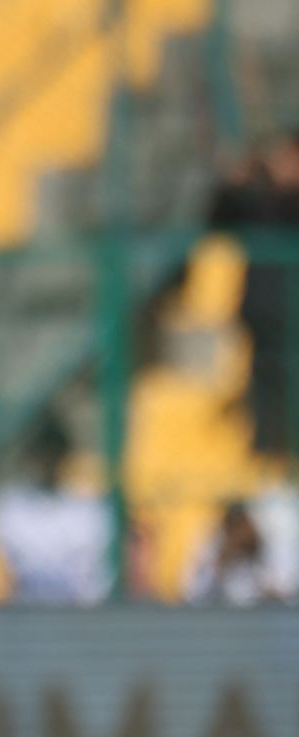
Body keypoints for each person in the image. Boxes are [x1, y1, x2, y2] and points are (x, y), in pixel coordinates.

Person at [210, 132, 299, 458]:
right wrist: (233, 183)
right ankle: (269, 451)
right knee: (265, 378)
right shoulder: (260, 198)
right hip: (263, 308)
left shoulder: (281, 201)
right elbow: (218, 223)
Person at [0, 417, 116, 605]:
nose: (44, 463)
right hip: (18, 623)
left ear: (64, 457)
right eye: (38, 455)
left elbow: (94, 591)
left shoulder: (89, 512)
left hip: (75, 623)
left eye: (52, 455)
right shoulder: (6, 507)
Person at [182, 498, 290, 605]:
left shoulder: (264, 546)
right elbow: (194, 596)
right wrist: (221, 562)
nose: (242, 532)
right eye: (236, 526)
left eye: (244, 523)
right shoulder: (211, 548)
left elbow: (285, 592)